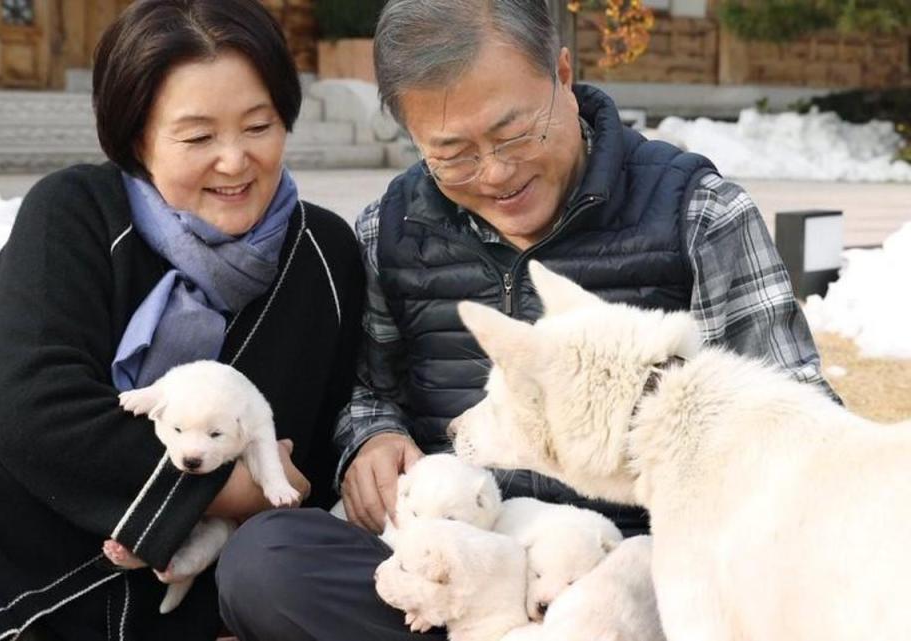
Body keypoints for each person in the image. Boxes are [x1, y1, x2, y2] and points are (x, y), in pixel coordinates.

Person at [217, 1, 837, 640]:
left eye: (514, 134)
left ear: (562, 75)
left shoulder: (698, 213)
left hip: (626, 565)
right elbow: (371, 392)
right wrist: (371, 439)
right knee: (264, 564)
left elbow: (796, 424)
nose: (496, 173)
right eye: (452, 154)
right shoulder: (389, 229)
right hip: (456, 561)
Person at [0, 0, 364, 639]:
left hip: (166, 582)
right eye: (198, 137)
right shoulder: (76, 210)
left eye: (259, 126)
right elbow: (30, 410)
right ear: (137, 136)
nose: (234, 161)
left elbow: (323, 431)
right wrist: (227, 486)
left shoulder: (326, 255)